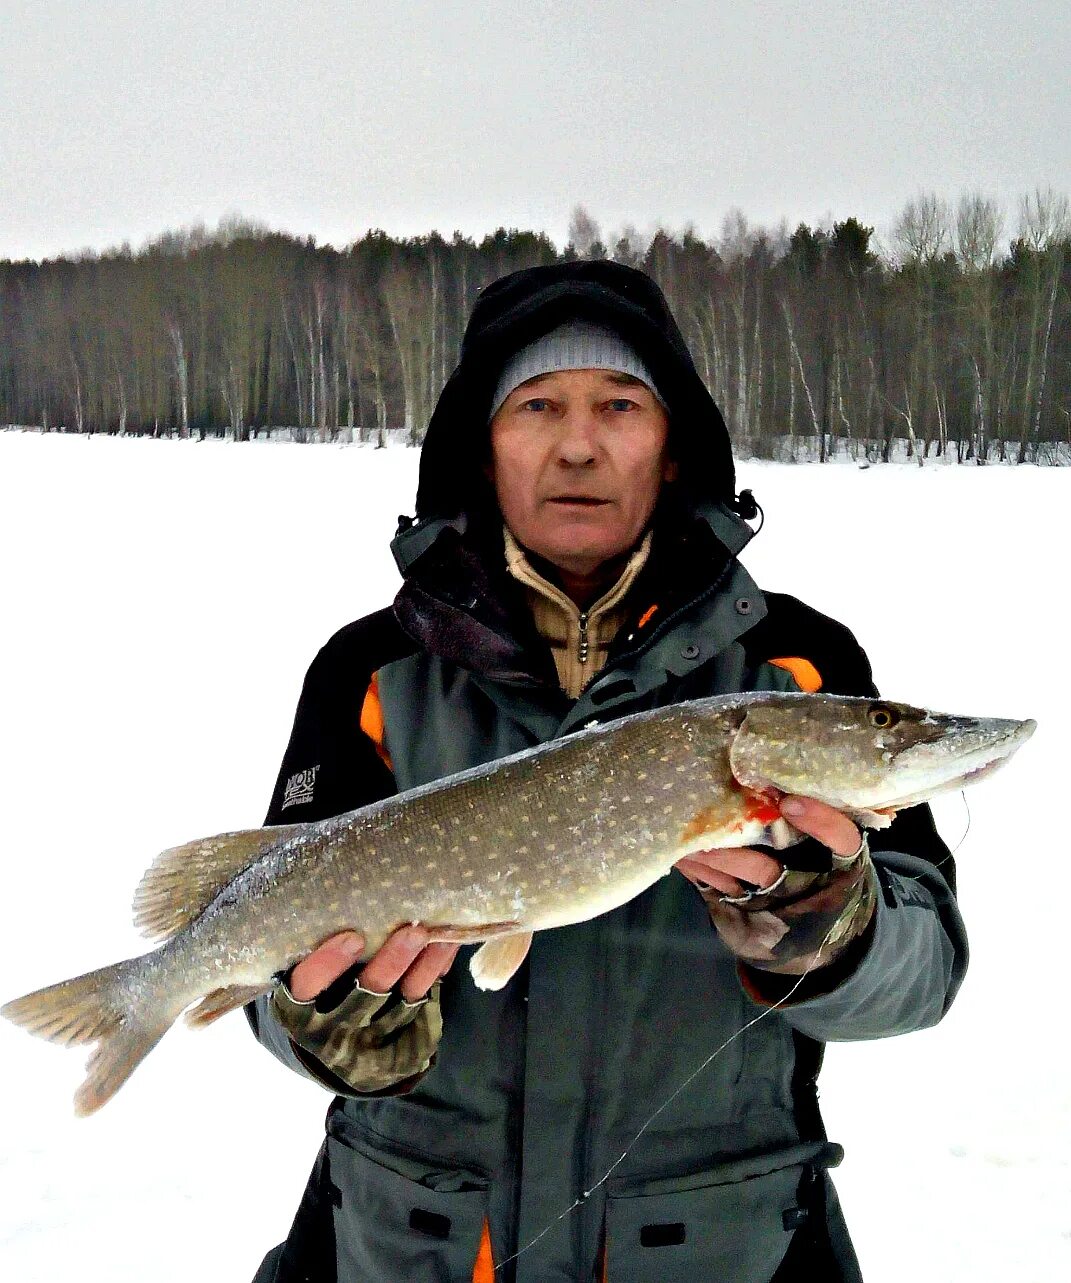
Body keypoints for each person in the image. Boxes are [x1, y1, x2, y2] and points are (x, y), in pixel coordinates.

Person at [247, 261, 967, 1283]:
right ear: (481, 449)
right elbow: (263, 958)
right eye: (536, 405)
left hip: (719, 1247)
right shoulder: (371, 671)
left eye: (620, 405)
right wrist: (331, 1022)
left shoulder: (798, 672)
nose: (578, 444)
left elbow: (921, 972)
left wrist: (828, 923)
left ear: (672, 449)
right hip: (421, 1247)